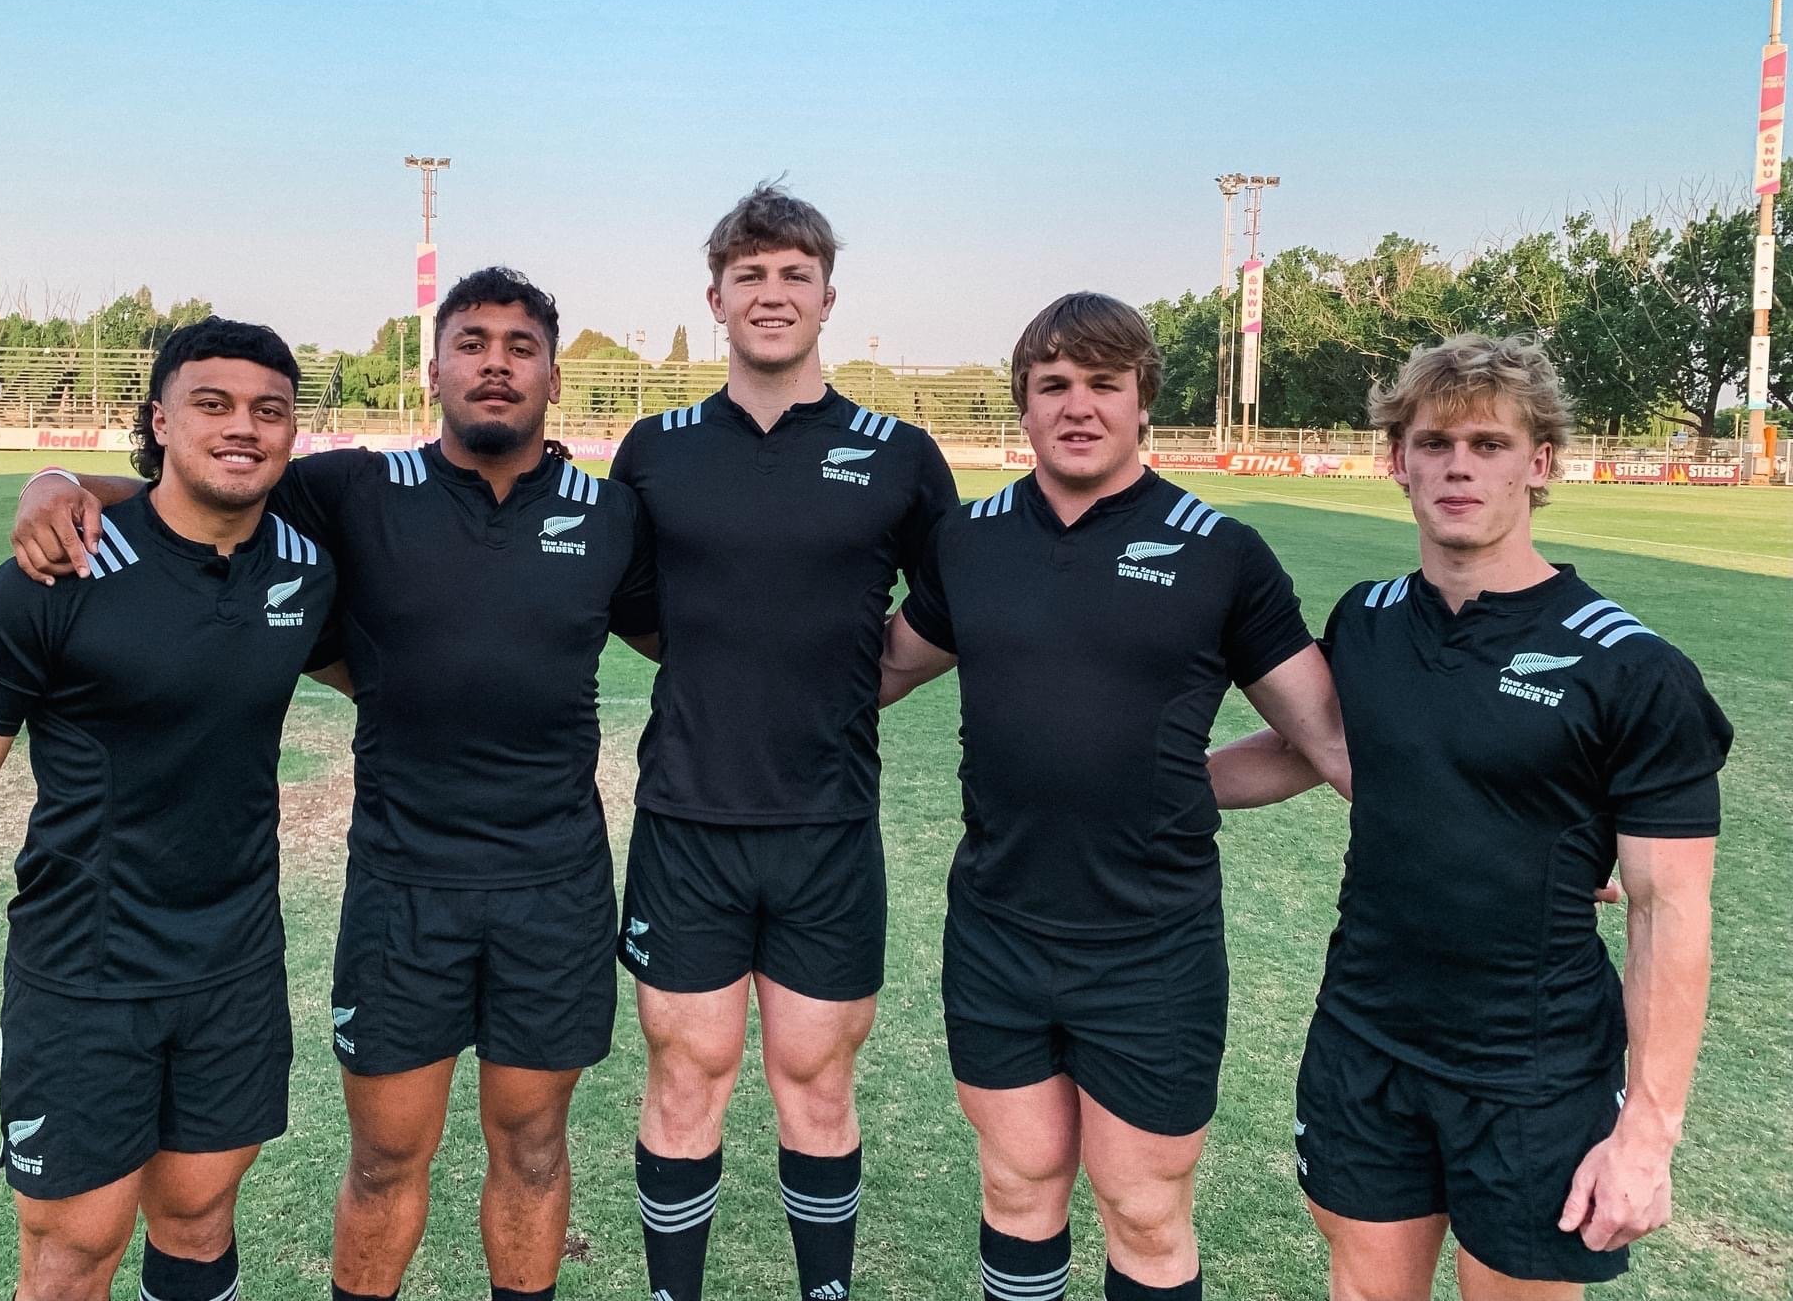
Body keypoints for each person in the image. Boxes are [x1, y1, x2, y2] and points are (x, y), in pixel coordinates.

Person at [10, 268, 657, 1301]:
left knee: (533, 1150)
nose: (496, 362)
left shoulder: (612, 514)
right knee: (385, 1161)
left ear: (550, 371)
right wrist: (56, 481)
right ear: (434, 365)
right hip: (402, 890)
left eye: (520, 345)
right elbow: (196, 500)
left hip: (555, 888)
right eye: (473, 341)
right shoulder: (351, 492)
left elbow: (687, 634)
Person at [1211, 335, 1730, 1300]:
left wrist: (1647, 1138)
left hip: (1533, 1069)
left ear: (1538, 465)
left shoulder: (1632, 668)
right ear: (1395, 459)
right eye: (1434, 441)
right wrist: (1144, 788)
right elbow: (1308, 750)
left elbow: (1668, 908)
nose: (1458, 466)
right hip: (1364, 1037)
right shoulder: (1367, 619)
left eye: (1489, 444)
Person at [878, 292, 1349, 1301]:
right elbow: (875, 670)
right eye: (1053, 385)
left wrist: (1534, 841)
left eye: (1103, 383)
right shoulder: (969, 540)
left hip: (1151, 946)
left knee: (1140, 1207)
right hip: (997, 930)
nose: (1077, 405)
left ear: (1143, 403)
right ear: (1023, 406)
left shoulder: (1218, 552)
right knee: (1016, 1185)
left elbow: (1325, 741)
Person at [0, 318, 339, 1301]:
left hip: (236, 969)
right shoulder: (56, 576)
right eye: (211, 404)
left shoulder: (305, 571)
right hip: (85, 976)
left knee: (200, 1218)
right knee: (72, 1253)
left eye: (270, 410)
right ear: (159, 421)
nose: (242, 428)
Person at [609, 183, 959, 1301]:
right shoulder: (655, 450)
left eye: (792, 275)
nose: (771, 293)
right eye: (748, 275)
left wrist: (856, 681)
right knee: (684, 1079)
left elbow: (957, 603)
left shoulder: (896, 453)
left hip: (826, 828)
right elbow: (629, 603)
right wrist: (720, 667)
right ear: (713, 298)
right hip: (685, 824)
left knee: (814, 1082)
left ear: (826, 297)